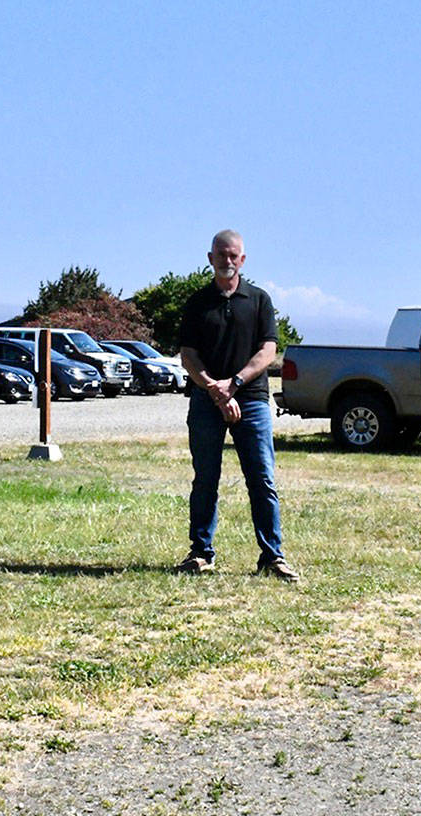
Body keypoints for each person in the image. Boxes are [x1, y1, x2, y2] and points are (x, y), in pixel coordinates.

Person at [175, 230, 297, 581]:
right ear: (210, 258)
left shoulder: (259, 300)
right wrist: (215, 389)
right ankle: (201, 553)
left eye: (234, 255)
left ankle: (272, 556)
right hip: (206, 398)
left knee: (262, 478)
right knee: (205, 479)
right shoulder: (197, 302)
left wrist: (235, 384)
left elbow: (267, 351)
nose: (227, 261)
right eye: (221, 254)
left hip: (252, 399)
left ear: (242, 260)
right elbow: (189, 355)